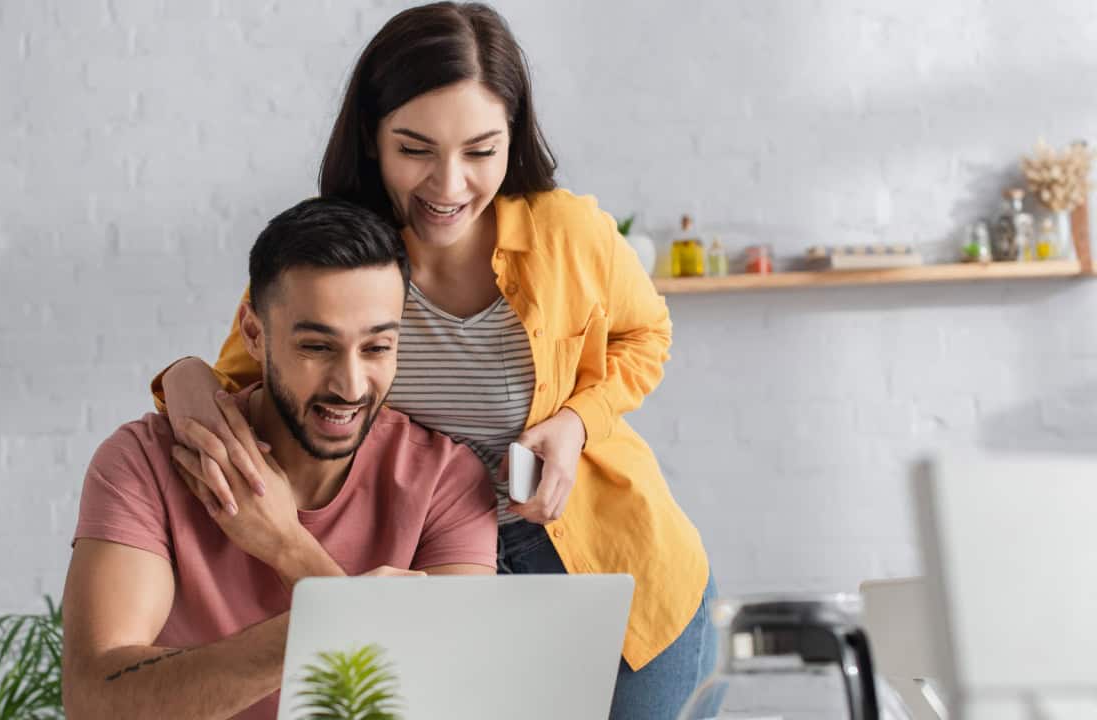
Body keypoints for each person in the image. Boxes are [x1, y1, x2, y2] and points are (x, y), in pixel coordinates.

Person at [156, 3, 717, 717]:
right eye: (415, 149)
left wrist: (577, 423)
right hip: (429, 572)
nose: (449, 186)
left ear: (513, 135)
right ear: (372, 137)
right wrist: (181, 379)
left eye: (481, 152)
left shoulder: (568, 232)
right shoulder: (338, 257)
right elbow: (244, 377)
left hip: (611, 572)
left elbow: (647, 337)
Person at [63, 198, 497, 720]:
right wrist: (339, 618)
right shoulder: (143, 463)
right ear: (253, 333)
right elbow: (96, 700)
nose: (351, 385)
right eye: (317, 347)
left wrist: (289, 548)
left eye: (378, 348)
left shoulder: (446, 481)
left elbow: (448, 701)